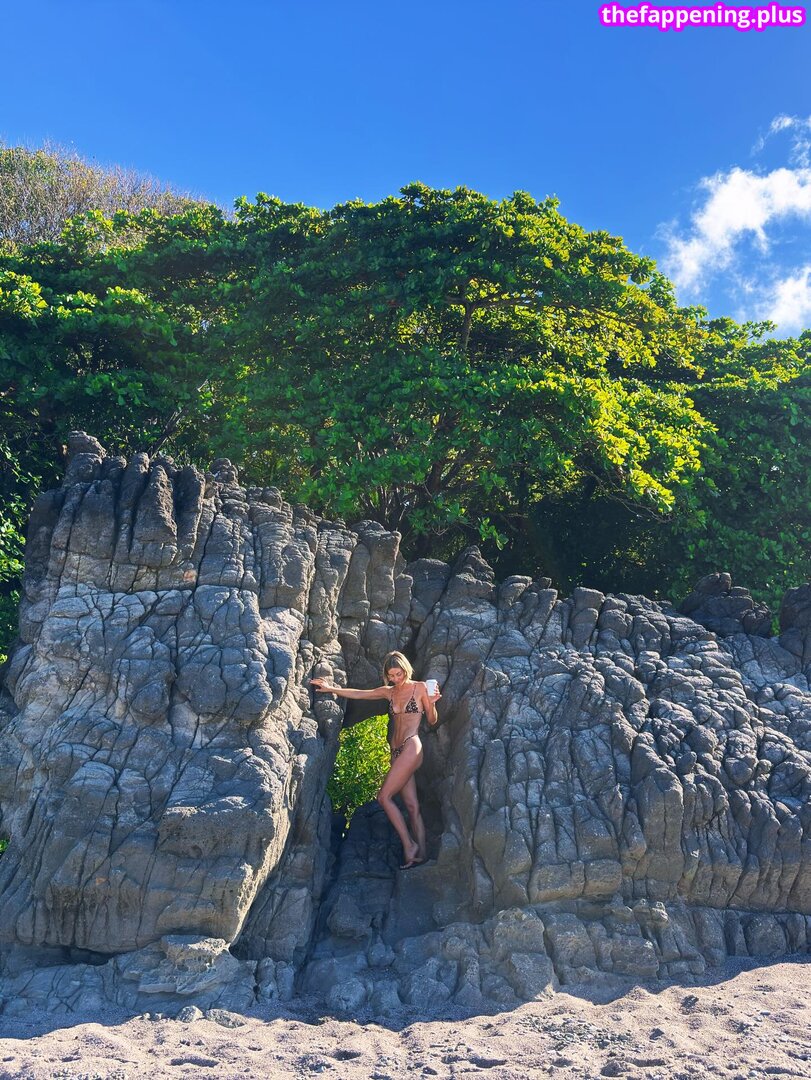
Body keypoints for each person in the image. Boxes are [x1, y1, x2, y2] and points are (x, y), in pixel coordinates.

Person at [311, 651, 440, 869]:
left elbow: (432, 720)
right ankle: (421, 857)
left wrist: (433, 703)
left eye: (399, 674)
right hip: (396, 752)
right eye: (391, 675)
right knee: (412, 806)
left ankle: (410, 846)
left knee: (384, 797)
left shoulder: (419, 688)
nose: (396, 679)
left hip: (411, 746)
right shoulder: (389, 692)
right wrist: (331, 688)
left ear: (406, 670)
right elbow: (360, 694)